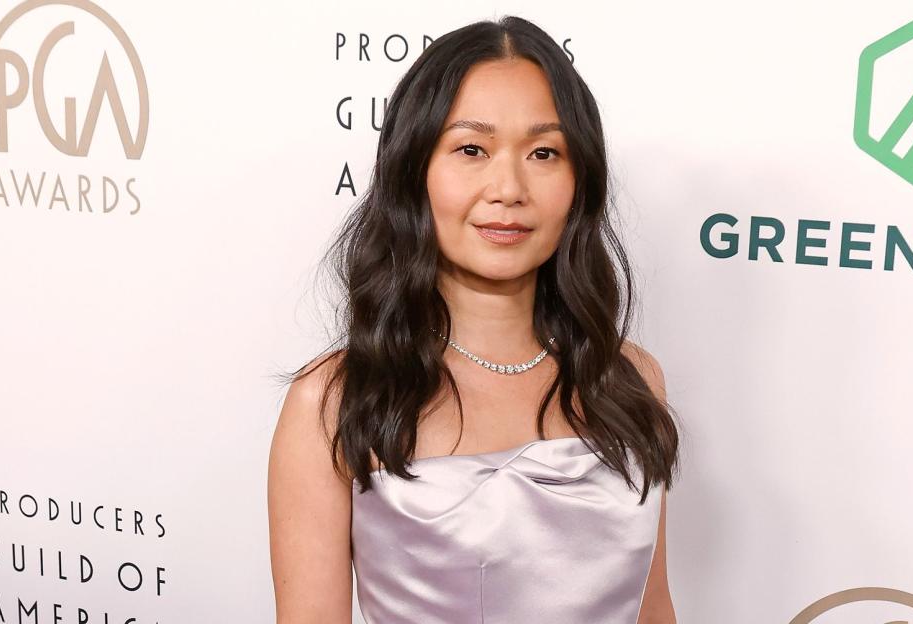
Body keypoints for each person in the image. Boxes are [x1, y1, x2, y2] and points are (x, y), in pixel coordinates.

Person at [268, 15, 682, 624]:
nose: (508, 187)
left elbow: (654, 610)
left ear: (579, 180)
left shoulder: (627, 378)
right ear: (414, 170)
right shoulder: (334, 401)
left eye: (544, 152)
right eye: (471, 149)